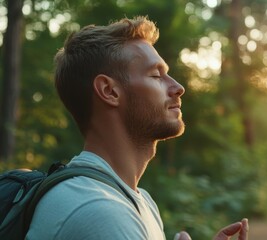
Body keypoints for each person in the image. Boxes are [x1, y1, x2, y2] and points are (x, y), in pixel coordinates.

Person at [26, 16, 248, 240]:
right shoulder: (101, 212)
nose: (178, 87)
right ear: (109, 91)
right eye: (155, 75)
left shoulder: (138, 201)